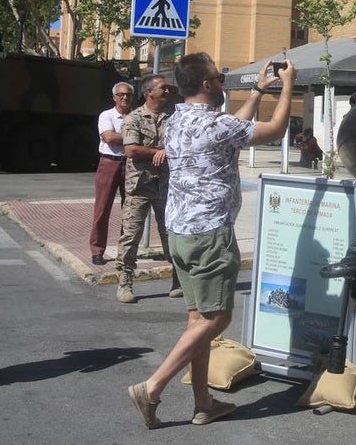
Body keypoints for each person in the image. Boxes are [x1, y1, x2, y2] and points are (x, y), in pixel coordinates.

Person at [129, 53, 295, 429]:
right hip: (209, 233)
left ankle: (204, 403)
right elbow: (275, 130)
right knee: (218, 317)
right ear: (207, 84)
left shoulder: (175, 120)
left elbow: (233, 127)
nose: (222, 83)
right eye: (219, 78)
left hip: (180, 232)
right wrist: (287, 86)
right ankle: (152, 387)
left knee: (198, 319)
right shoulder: (217, 124)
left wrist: (257, 90)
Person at [115, 76, 181, 304]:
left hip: (166, 186)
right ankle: (125, 282)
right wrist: (159, 152)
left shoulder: (173, 118)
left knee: (171, 234)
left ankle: (178, 280)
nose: (167, 91)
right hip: (139, 186)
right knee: (131, 235)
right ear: (149, 92)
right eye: (163, 88)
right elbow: (131, 150)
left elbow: (181, 145)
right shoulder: (133, 118)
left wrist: (167, 152)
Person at [90, 81, 133, 266]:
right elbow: (108, 137)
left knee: (130, 210)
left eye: (128, 94)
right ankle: (97, 250)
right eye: (121, 94)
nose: (125, 98)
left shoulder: (136, 116)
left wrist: (121, 138)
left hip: (131, 165)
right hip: (109, 163)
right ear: (114, 97)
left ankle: (126, 251)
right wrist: (134, 138)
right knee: (102, 209)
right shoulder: (106, 115)